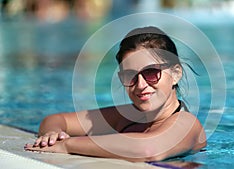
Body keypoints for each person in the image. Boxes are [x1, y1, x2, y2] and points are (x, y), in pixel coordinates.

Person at [24, 26, 206, 162]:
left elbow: (147, 149)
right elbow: (57, 119)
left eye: (151, 72)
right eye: (130, 75)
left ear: (175, 74)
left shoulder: (187, 124)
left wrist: (67, 145)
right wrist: (53, 133)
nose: (141, 85)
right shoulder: (127, 117)